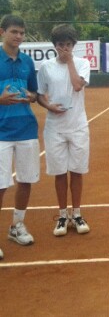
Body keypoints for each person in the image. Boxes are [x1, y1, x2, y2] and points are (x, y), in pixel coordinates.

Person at [37, 24, 91, 237]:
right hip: (54, 128)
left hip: (78, 126)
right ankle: (62, 215)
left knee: (77, 171)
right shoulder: (45, 67)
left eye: (69, 45)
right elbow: (40, 94)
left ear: (74, 45)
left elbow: (78, 85)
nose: (65, 49)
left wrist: (69, 62)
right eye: (61, 45)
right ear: (54, 46)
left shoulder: (82, 63)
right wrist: (48, 106)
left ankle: (76, 214)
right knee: (59, 173)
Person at [0, 14, 40, 258]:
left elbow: (35, 93)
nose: (19, 37)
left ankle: (16, 226)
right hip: (1, 133)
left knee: (26, 180)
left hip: (26, 129)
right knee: (0, 186)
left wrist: (31, 97)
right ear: (2, 32)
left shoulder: (27, 61)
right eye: (14, 31)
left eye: (22, 33)